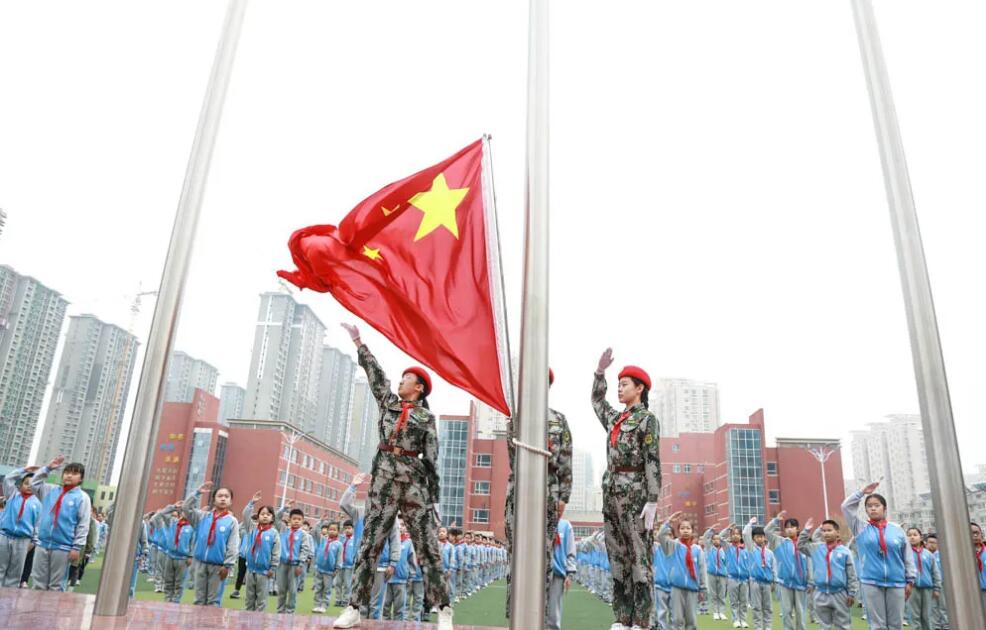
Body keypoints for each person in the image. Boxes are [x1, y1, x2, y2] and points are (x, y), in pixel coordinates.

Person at [333, 323, 453, 630]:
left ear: (419, 388)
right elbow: (376, 376)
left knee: (427, 547)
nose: (400, 382)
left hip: (413, 486)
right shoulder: (389, 404)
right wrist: (359, 343)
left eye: (406, 379)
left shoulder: (426, 418)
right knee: (369, 545)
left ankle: (443, 609)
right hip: (383, 483)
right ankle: (354, 607)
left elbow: (432, 459)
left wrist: (433, 500)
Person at [592, 348, 661, 630]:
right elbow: (597, 401)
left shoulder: (647, 419)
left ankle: (641, 621)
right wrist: (600, 373)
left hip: (636, 495)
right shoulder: (616, 419)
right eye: (618, 385)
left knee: (639, 557)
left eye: (624, 384)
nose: (619, 389)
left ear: (639, 388)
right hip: (612, 494)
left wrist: (653, 499)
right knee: (617, 556)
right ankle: (622, 617)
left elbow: (652, 459)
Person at [504, 365, 574, 617]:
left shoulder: (559, 420)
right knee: (516, 552)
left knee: (544, 554)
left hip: (549, 493)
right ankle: (515, 614)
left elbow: (566, 460)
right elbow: (513, 458)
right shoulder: (516, 419)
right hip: (519, 492)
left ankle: (539, 615)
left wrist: (564, 497)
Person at [841, 481, 915, 630]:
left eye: (877, 505)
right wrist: (862, 492)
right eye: (869, 506)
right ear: (866, 510)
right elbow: (846, 507)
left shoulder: (897, 529)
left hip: (896, 582)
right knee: (877, 625)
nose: (873, 508)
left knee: (896, 625)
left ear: (884, 508)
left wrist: (910, 580)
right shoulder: (860, 528)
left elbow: (907, 556)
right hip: (871, 582)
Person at [30, 456, 91, 591]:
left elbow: (83, 524)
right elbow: (33, 484)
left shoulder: (82, 497)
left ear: (81, 478)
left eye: (74, 473)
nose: (69, 475)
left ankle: (53, 606)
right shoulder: (50, 490)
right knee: (38, 584)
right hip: (42, 544)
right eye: (67, 472)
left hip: (63, 547)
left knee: (56, 586)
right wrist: (47, 468)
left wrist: (76, 547)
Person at [182, 480, 240, 606]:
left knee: (213, 601)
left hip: (219, 566)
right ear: (214, 500)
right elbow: (186, 508)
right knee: (198, 600)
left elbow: (233, 545)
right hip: (200, 563)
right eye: (220, 496)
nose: (223, 499)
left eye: (226, 496)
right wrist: (197, 493)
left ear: (230, 501)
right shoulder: (202, 517)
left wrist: (227, 565)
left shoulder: (232, 521)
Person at [797, 518, 857, 630]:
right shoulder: (816, 548)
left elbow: (851, 574)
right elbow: (800, 545)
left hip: (840, 594)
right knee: (824, 626)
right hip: (820, 593)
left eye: (829, 530)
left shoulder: (845, 552)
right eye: (824, 531)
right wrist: (806, 530)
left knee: (843, 625)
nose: (826, 533)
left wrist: (852, 593)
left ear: (837, 533)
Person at [766, 511, 810, 630]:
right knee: (786, 611)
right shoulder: (779, 541)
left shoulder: (803, 544)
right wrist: (776, 520)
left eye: (792, 527)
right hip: (784, 582)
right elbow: (767, 531)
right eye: (787, 527)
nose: (789, 529)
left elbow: (809, 564)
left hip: (801, 583)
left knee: (800, 612)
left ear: (797, 529)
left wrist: (810, 581)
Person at [0, 465, 41, 587]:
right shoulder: (12, 495)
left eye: (32, 484)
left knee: (15, 573)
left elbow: (38, 525)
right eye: (26, 483)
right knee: (0, 568)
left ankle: (9, 597)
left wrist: (33, 542)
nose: (29, 486)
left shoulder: (38, 504)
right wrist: (24, 470)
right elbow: (8, 479)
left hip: (23, 540)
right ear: (20, 484)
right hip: (4, 536)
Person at [239, 493, 279, 613]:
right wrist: (252, 503)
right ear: (258, 516)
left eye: (268, 514)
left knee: (261, 600)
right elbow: (245, 515)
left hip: (264, 572)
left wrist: (273, 567)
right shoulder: (252, 528)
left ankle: (259, 620)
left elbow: (276, 552)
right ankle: (247, 619)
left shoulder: (273, 533)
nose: (265, 516)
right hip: (251, 570)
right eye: (262, 514)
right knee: (249, 599)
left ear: (272, 518)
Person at [151, 501, 195, 603]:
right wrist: (173, 507)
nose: (185, 513)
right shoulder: (172, 522)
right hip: (170, 555)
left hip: (183, 558)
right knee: (168, 581)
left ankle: (176, 601)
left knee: (179, 583)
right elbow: (159, 515)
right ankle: (167, 600)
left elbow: (193, 543)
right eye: (183, 511)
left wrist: (190, 556)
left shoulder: (192, 527)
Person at [275, 504, 312, 614]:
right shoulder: (283, 530)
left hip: (295, 565)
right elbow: (276, 518)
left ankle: (290, 611)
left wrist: (301, 565)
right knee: (281, 589)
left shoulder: (303, 535)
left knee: (292, 589)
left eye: (299, 519)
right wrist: (284, 508)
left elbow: (305, 549)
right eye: (294, 519)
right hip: (282, 564)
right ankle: (280, 610)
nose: (296, 521)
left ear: (302, 521)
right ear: (289, 520)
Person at [743, 519, 776, 630]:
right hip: (755, 582)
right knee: (756, 607)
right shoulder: (751, 549)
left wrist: (774, 582)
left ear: (764, 537)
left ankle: (768, 627)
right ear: (753, 539)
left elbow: (774, 568)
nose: (760, 539)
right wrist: (750, 524)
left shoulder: (769, 553)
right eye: (757, 537)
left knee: (768, 607)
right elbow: (745, 534)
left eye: (762, 537)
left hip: (767, 583)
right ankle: (758, 627)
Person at [903, 527, 939, 630]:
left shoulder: (928, 555)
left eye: (915, 535)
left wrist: (937, 588)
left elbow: (935, 572)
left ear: (921, 537)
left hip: (927, 589)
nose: (912, 537)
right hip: (912, 588)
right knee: (914, 616)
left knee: (927, 616)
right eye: (909, 535)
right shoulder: (905, 554)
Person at [719, 522, 751, 628]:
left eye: (737, 534)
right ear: (730, 536)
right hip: (732, 578)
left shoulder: (745, 549)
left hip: (744, 579)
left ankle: (743, 620)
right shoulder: (728, 548)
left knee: (744, 601)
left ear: (741, 536)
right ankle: (736, 619)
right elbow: (720, 537)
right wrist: (728, 528)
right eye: (733, 534)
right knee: (734, 601)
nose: (735, 536)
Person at [382, 520, 415, 621]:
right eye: (398, 525)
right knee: (385, 607)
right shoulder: (387, 541)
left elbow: (412, 560)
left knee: (399, 608)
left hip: (401, 580)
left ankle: (398, 626)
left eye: (403, 525)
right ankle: (384, 626)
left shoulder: (408, 542)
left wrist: (411, 576)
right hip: (386, 579)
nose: (400, 527)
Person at [312, 520, 343, 614]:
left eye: (334, 530)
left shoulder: (339, 544)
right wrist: (320, 521)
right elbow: (315, 531)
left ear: (338, 532)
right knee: (318, 588)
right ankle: (317, 605)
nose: (332, 531)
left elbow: (339, 558)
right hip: (319, 569)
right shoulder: (323, 540)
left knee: (327, 589)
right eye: (330, 529)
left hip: (330, 571)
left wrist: (337, 569)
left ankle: (324, 605)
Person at [922, 533, 948, 630]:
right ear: (926, 543)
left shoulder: (942, 555)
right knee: (932, 608)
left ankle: (946, 626)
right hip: (928, 585)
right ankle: (936, 627)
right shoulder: (924, 555)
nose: (931, 545)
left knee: (943, 607)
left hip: (941, 585)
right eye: (930, 542)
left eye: (934, 543)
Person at [334, 515, 361, 606]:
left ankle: (345, 600)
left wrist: (355, 563)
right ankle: (338, 599)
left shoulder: (355, 540)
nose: (347, 530)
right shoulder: (342, 538)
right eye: (345, 528)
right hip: (340, 565)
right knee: (338, 583)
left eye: (349, 528)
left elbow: (356, 553)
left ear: (353, 529)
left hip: (349, 566)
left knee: (347, 584)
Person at [702, 528, 728, 621]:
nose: (716, 541)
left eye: (718, 539)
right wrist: (710, 530)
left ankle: (722, 612)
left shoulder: (724, 550)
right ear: (712, 541)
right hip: (711, 574)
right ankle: (715, 612)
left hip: (722, 574)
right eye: (714, 539)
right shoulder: (709, 549)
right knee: (713, 594)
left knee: (722, 594)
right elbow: (705, 537)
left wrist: (727, 529)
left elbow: (726, 562)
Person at [439, 526, 457, 603]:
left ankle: (448, 602)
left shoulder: (450, 546)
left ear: (447, 534)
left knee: (447, 588)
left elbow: (452, 558)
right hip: (436, 570)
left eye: (443, 532)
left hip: (446, 570)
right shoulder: (434, 545)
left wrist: (450, 569)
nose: (441, 533)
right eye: (440, 532)